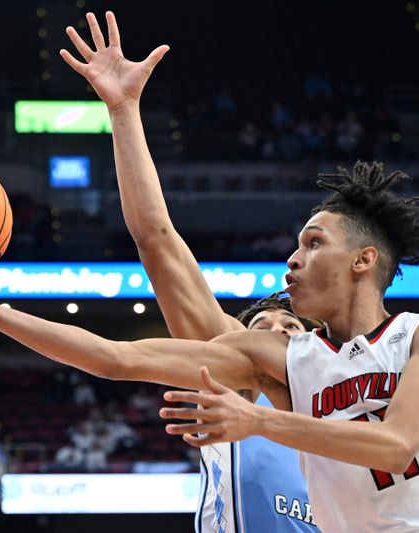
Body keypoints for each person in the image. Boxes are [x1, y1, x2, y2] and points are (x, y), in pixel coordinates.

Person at [0, 35, 419, 533]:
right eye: (295, 244)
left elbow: (396, 443)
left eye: (313, 243)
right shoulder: (283, 362)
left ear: (363, 260)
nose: (290, 260)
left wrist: (257, 421)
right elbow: (115, 354)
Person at [60, 12, 320, 532]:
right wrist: (124, 111)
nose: (276, 331)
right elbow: (157, 241)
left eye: (290, 327)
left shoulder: (349, 401)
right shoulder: (244, 380)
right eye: (261, 328)